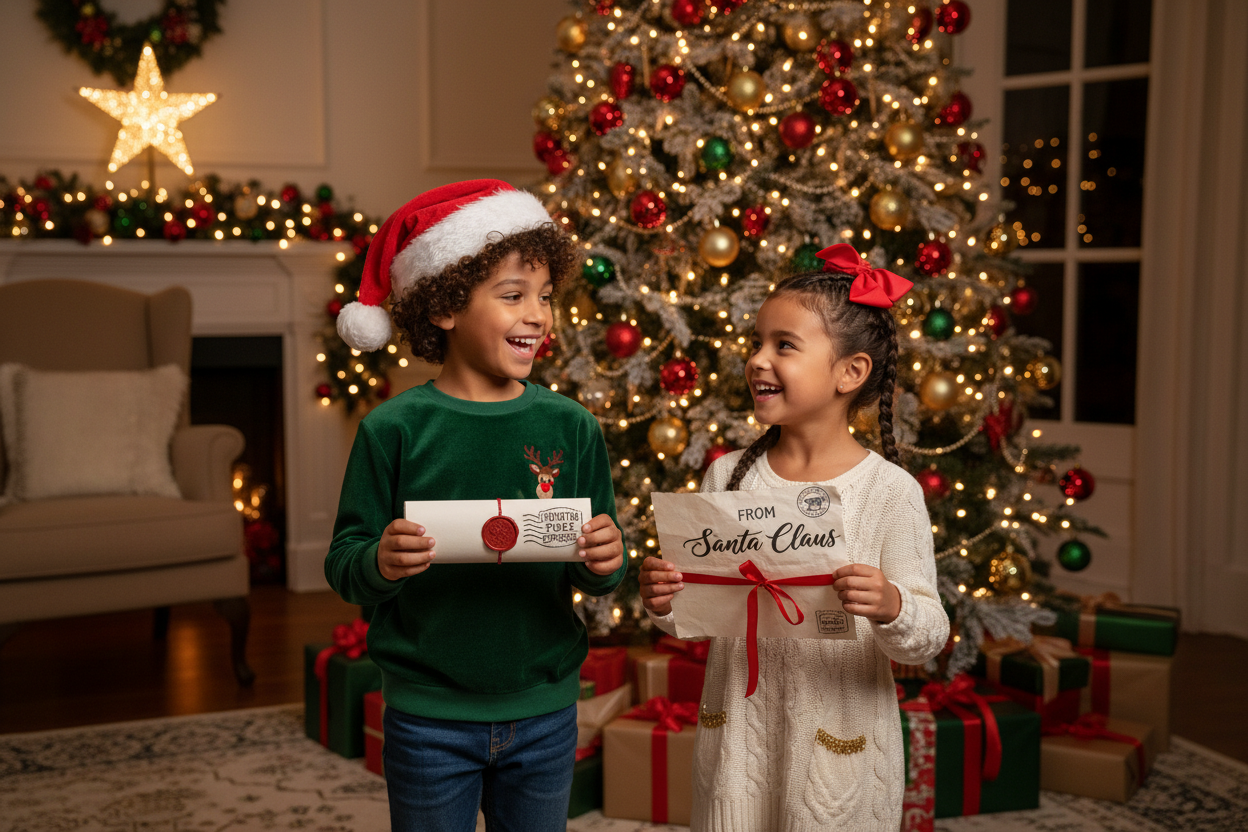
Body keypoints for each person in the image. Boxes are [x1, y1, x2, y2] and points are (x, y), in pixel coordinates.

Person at [325, 180, 627, 832]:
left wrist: (607, 558)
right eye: (513, 296)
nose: (539, 315)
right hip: (428, 715)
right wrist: (380, 559)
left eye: (546, 298)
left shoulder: (571, 427)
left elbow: (595, 560)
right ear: (444, 306)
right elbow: (345, 561)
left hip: (546, 708)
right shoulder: (394, 429)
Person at [639, 244, 950, 831]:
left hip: (841, 756)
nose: (757, 360)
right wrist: (664, 600)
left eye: (783, 345)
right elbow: (698, 612)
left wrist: (892, 605)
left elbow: (929, 635)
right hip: (737, 748)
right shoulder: (727, 474)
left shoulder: (890, 491)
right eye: (756, 342)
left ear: (850, 373)